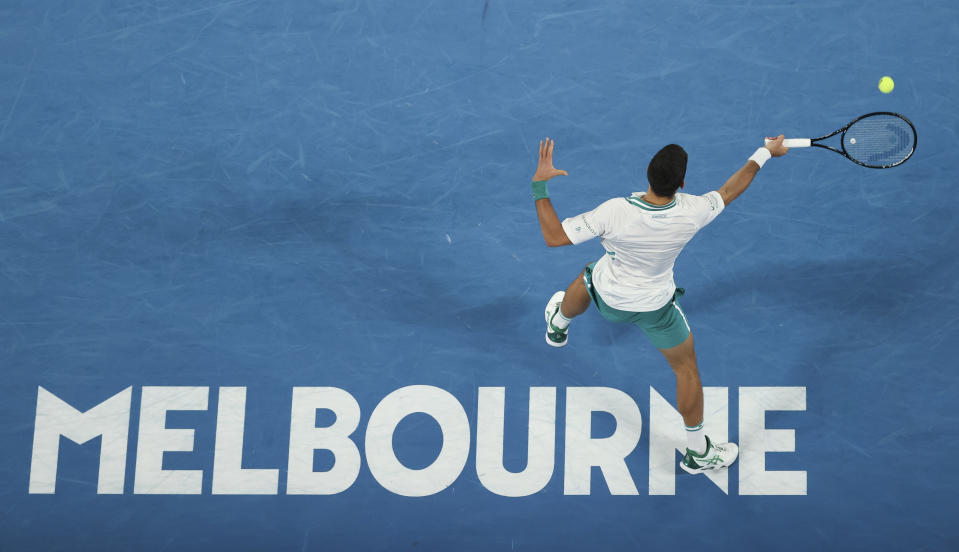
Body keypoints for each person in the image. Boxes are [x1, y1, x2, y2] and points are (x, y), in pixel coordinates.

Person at [530, 136, 789, 474]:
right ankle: (698, 453)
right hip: (657, 310)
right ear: (681, 184)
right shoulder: (693, 211)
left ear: (647, 176)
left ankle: (558, 325)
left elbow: (554, 237)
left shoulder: (615, 211)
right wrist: (765, 152)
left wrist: (539, 185)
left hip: (610, 297)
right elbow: (728, 191)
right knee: (686, 371)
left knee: (589, 278)